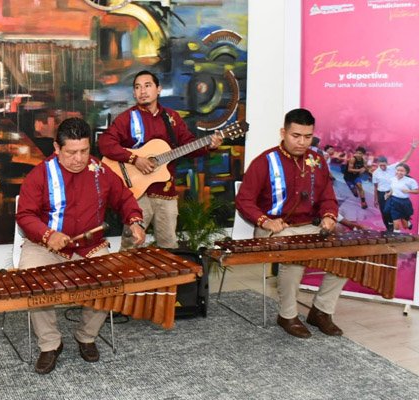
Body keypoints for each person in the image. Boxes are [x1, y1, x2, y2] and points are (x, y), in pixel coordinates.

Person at [16, 117, 146, 374]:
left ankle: (86, 336)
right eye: (71, 152)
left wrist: (135, 221)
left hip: (89, 246)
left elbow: (125, 198)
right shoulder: (40, 174)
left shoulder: (99, 171)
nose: (79, 159)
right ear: (57, 148)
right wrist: (47, 234)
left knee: (110, 281)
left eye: (84, 151)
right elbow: (25, 215)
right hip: (45, 246)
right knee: (32, 282)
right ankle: (50, 343)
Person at [236, 108, 343, 339]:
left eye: (308, 137)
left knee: (348, 254)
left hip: (311, 226)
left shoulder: (317, 159)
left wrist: (328, 215)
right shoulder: (264, 161)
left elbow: (327, 196)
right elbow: (244, 200)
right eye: (296, 136)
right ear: (283, 132)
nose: (302, 142)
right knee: (294, 257)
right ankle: (287, 315)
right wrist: (265, 221)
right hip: (275, 229)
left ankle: (321, 311)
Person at [98, 70, 222, 250]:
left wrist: (210, 145)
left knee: (169, 246)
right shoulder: (127, 118)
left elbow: (188, 145)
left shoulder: (172, 118)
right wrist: (134, 159)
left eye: (147, 86)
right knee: (130, 246)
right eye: (138, 87)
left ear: (159, 90)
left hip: (166, 193)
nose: (142, 91)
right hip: (137, 195)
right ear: (134, 93)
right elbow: (105, 143)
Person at [372, 141, 418, 231]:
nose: (382, 167)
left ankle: (406, 220)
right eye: (380, 165)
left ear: (387, 163)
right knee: (384, 212)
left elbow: (404, 160)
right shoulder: (375, 173)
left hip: (392, 192)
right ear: (378, 164)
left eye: (384, 165)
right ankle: (389, 228)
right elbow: (375, 187)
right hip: (381, 194)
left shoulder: (393, 168)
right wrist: (376, 199)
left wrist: (412, 148)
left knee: (393, 209)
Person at [385, 163, 419, 232]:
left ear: (406, 172)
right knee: (396, 222)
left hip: (404, 202)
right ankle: (396, 237)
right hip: (394, 201)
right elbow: (393, 189)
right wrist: (389, 194)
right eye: (398, 170)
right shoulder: (392, 179)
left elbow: (417, 191)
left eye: (402, 171)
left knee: (405, 226)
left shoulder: (410, 181)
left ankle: (407, 221)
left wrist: (408, 190)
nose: (399, 172)